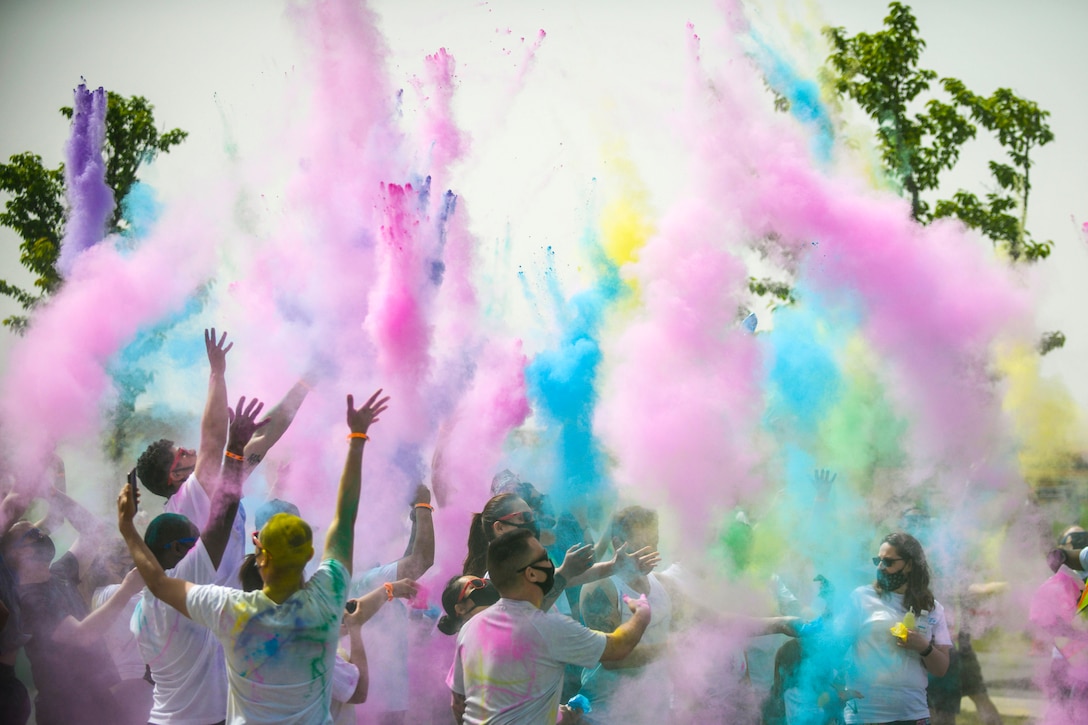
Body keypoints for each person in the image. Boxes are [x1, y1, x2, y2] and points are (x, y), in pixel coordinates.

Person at [119, 389, 389, 725]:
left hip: (229, 649)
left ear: (258, 557)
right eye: (182, 454)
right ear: (309, 556)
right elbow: (344, 519)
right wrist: (356, 436)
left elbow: (158, 584)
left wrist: (126, 526)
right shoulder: (193, 499)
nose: (192, 450)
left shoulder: (230, 608)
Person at [135, 328, 311, 587]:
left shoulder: (216, 484)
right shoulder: (187, 499)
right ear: (174, 477)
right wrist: (217, 372)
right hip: (217, 621)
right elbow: (213, 440)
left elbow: (265, 433)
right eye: (182, 454)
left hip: (228, 612)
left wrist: (306, 383)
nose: (191, 450)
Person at [131, 395, 264, 725]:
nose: (201, 541)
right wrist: (233, 447)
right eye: (194, 539)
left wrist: (125, 527)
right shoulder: (196, 587)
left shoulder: (140, 614)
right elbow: (214, 446)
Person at [448, 528, 652, 725]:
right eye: (545, 558)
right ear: (532, 574)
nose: (551, 564)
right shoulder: (548, 628)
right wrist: (641, 613)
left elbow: (458, 703)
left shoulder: (471, 627)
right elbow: (619, 647)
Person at [2, 488, 145, 725]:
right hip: (66, 709)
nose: (41, 535)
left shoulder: (58, 573)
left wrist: (50, 491)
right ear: (17, 553)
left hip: (97, 696)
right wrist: (126, 590)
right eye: (33, 535)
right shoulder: (29, 599)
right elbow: (81, 635)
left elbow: (93, 529)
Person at [840, 532, 952, 725]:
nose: (880, 567)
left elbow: (941, 669)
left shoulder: (932, 608)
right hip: (865, 714)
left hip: (912, 714)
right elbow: (834, 648)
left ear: (909, 565)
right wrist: (837, 688)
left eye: (888, 562)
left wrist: (923, 647)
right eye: (878, 560)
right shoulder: (861, 598)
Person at [578, 505, 676, 723]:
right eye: (642, 545)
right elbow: (610, 657)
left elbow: (711, 617)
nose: (652, 551)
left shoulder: (661, 583)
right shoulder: (601, 587)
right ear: (617, 544)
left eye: (655, 542)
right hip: (609, 714)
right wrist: (670, 650)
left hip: (654, 711)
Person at [350, 482, 435, 725]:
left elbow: (409, 559)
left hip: (385, 701)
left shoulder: (366, 575)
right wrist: (423, 505)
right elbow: (420, 560)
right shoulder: (364, 580)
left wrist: (417, 519)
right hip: (381, 705)